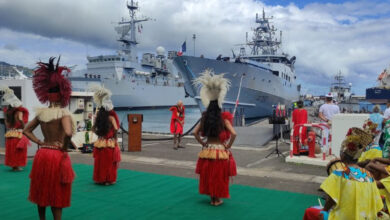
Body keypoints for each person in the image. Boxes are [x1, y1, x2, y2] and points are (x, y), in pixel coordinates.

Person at [23, 57, 75, 220]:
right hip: (57, 155)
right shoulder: (63, 113)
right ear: (63, 95)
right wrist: (65, 147)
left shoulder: (41, 113)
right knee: (56, 192)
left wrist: (39, 142)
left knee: (41, 190)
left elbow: (26, 130)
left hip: (42, 154)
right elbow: (67, 133)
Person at [303, 127, 383, 220]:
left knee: (312, 212)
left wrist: (325, 210)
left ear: (342, 155)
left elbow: (331, 199)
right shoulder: (369, 176)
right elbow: (376, 203)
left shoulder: (339, 173)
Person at [193, 70, 237, 206]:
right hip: (220, 152)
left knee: (209, 175)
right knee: (218, 176)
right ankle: (217, 199)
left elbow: (195, 132)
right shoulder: (223, 118)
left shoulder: (205, 117)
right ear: (219, 103)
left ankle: (212, 198)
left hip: (207, 151)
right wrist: (228, 146)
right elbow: (234, 133)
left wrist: (203, 143)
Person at [90, 85, 121, 185]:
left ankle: (100, 179)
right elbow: (116, 129)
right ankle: (108, 179)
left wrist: (100, 135)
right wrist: (114, 138)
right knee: (109, 162)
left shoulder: (98, 117)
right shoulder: (111, 118)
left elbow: (93, 129)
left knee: (100, 162)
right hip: (110, 142)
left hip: (100, 141)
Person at [1, 86, 30, 171]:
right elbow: (20, 119)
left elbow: (7, 123)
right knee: (18, 151)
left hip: (10, 133)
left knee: (12, 150)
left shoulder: (8, 113)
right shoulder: (19, 111)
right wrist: (24, 127)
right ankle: (16, 166)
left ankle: (14, 166)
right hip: (18, 134)